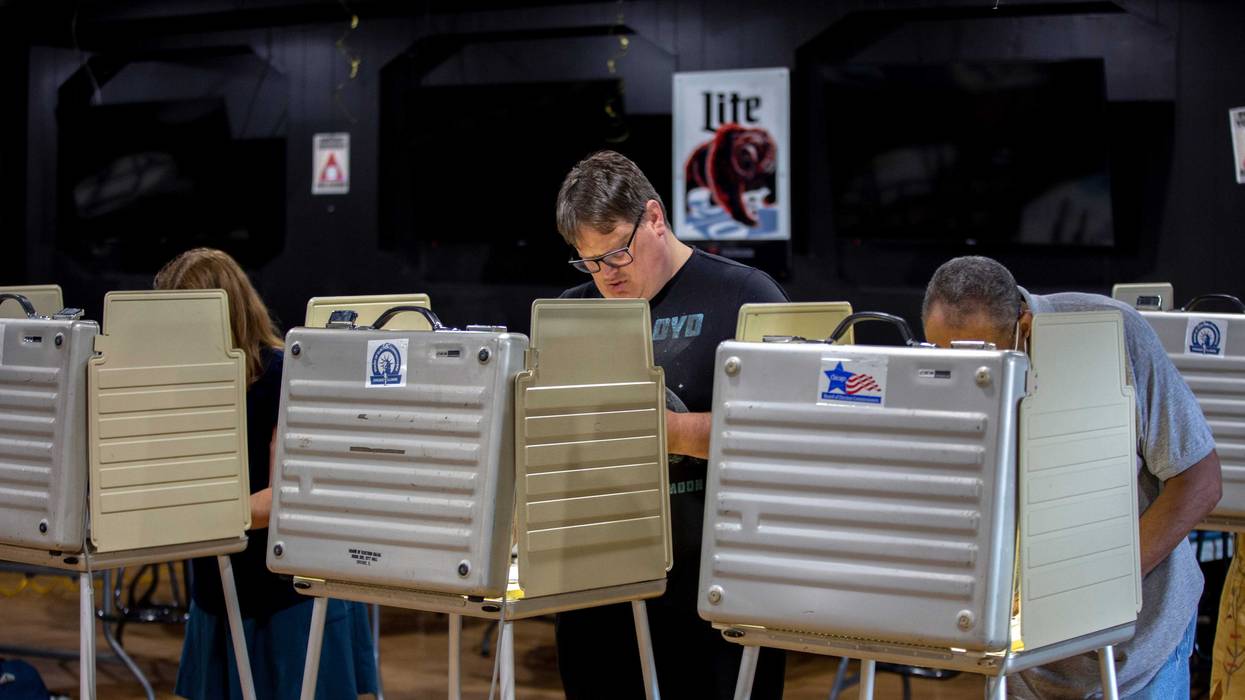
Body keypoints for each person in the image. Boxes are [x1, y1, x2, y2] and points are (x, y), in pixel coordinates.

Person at [921, 255, 1223, 698]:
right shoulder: (936, 371)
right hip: (1027, 662)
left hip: (1140, 652)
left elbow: (1200, 481)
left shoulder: (1109, 333)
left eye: (982, 362)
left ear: (1023, 324)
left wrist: (1100, 582)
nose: (969, 382)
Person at [552, 151, 790, 699]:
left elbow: (792, 439)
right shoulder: (573, 311)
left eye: (615, 252)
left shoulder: (745, 297)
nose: (605, 275)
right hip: (598, 591)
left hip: (716, 596)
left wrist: (672, 433)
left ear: (654, 218)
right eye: (587, 260)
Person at [156, 248, 378, 700]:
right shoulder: (182, 384)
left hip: (288, 599)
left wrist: (195, 515)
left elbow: (288, 498)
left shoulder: (284, 375)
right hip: (219, 591)